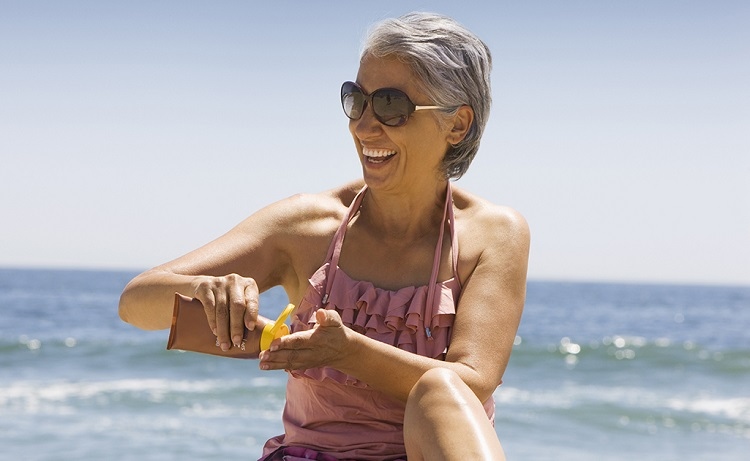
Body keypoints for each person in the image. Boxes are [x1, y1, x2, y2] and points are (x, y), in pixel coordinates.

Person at [119, 11, 529, 461]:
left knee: (441, 388)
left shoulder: (493, 234)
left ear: (456, 124)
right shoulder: (307, 226)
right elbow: (136, 303)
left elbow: (472, 381)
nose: (364, 125)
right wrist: (203, 289)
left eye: (391, 105)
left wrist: (347, 351)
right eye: (357, 101)